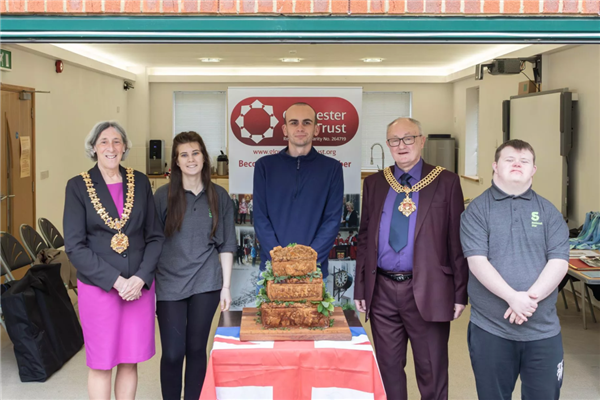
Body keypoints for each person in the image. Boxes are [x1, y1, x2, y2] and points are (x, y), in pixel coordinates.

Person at [354, 117, 468, 400]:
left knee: (431, 370)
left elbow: (457, 240)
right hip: (381, 290)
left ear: (421, 140)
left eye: (408, 138)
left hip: (428, 288)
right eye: (394, 140)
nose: (401, 145)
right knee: (388, 369)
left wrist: (460, 293)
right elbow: (365, 237)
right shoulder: (376, 183)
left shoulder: (446, 181)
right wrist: (360, 287)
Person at [460, 139, 569, 400]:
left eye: (524, 161)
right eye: (510, 160)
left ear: (533, 170)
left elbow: (559, 262)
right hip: (491, 330)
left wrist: (527, 300)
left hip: (543, 331)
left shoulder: (549, 212)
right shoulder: (476, 211)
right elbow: (477, 262)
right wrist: (512, 297)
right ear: (495, 166)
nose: (517, 164)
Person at [64, 121, 164, 400]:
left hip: (138, 288)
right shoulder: (77, 187)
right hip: (100, 289)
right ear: (93, 147)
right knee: (101, 362)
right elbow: (74, 246)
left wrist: (141, 277)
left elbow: (155, 236)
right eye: (104, 141)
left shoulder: (141, 181)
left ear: (125, 147)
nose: (111, 147)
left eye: (117, 141)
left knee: (129, 359)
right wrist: (117, 282)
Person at [154, 131, 236, 400]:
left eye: (196, 153)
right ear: (176, 161)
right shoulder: (163, 196)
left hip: (206, 282)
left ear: (204, 156)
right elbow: (151, 241)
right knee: (174, 352)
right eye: (184, 155)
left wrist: (225, 286)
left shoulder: (219, 196)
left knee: (197, 348)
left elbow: (225, 244)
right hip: (170, 283)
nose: (191, 159)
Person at [253, 102, 344, 281]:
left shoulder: (332, 168)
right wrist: (280, 260)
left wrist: (307, 261)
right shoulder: (264, 166)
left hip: (314, 272)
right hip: (273, 271)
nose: (300, 128)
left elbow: (332, 221)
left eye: (307, 122)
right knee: (271, 311)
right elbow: (260, 218)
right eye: (294, 122)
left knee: (312, 312)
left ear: (316, 129)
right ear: (285, 129)